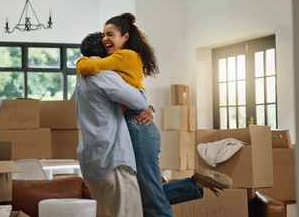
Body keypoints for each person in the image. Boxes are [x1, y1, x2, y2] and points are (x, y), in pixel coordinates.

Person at [76, 13, 233, 217]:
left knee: (149, 196)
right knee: (146, 193)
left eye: (110, 34)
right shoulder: (112, 66)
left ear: (125, 37)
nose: (106, 39)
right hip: (133, 125)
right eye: (104, 36)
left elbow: (134, 96)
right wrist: (148, 106)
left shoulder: (119, 60)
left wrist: (83, 62)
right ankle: (194, 185)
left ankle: (193, 185)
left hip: (138, 126)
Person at [74, 31, 148, 217]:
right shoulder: (104, 75)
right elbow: (140, 103)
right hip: (113, 159)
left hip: (92, 162)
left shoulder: (81, 79)